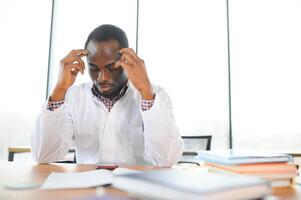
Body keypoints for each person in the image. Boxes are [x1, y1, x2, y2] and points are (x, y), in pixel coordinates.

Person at [31, 24, 183, 166]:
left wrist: (146, 93)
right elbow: (43, 155)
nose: (102, 77)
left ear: (126, 60)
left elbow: (167, 159)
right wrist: (59, 90)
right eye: (94, 68)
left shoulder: (156, 95)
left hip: (137, 191)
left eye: (111, 68)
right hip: (87, 189)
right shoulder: (73, 97)